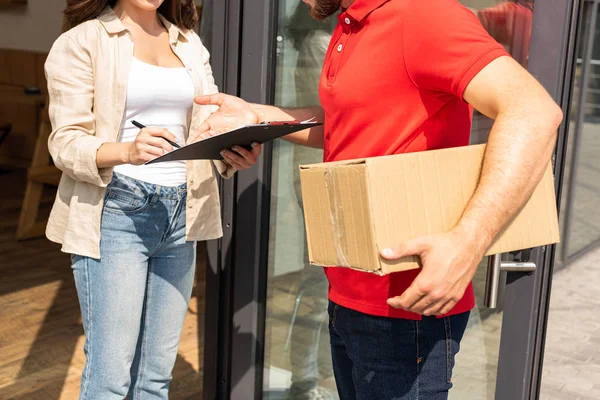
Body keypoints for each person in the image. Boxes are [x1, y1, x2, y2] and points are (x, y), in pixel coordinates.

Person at [192, 0, 562, 399]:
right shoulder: (350, 22)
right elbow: (348, 120)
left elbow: (534, 111)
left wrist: (468, 244)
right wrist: (257, 116)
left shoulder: (425, 15)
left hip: (407, 308)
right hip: (349, 290)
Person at [44, 0, 261, 398]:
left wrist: (231, 151)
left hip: (183, 211)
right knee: (110, 377)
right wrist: (126, 150)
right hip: (118, 211)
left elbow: (205, 127)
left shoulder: (189, 43)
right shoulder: (83, 41)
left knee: (155, 377)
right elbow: (64, 143)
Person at [284, 3, 337, 400]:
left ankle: (314, 373)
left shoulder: (326, 41)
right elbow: (335, 115)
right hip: (324, 173)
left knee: (323, 281)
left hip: (324, 170)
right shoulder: (323, 43)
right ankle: (304, 379)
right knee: (320, 283)